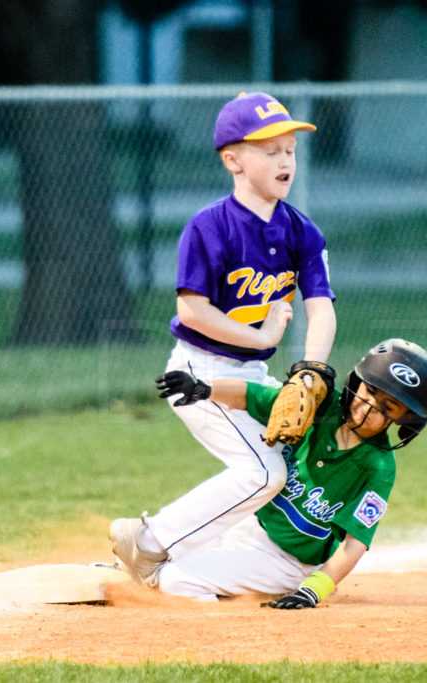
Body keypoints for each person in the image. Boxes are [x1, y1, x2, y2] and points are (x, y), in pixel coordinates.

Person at [109, 91, 337, 587]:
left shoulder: (302, 232)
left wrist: (311, 372)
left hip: (250, 375)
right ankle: (149, 543)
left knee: (285, 469)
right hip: (198, 373)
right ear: (232, 160)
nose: (284, 159)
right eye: (268, 149)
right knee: (264, 473)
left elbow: (321, 308)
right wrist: (263, 339)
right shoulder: (209, 227)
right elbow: (192, 310)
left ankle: (215, 557)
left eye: (290, 150)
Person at [124, 339, 427, 609]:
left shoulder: (378, 466)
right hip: (246, 525)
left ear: (406, 420)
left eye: (390, 406)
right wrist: (206, 389)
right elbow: (252, 395)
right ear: (357, 382)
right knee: (155, 555)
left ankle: (228, 619)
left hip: (287, 562)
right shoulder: (320, 404)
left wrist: (314, 588)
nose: (370, 407)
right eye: (370, 391)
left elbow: (356, 542)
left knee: (173, 580)